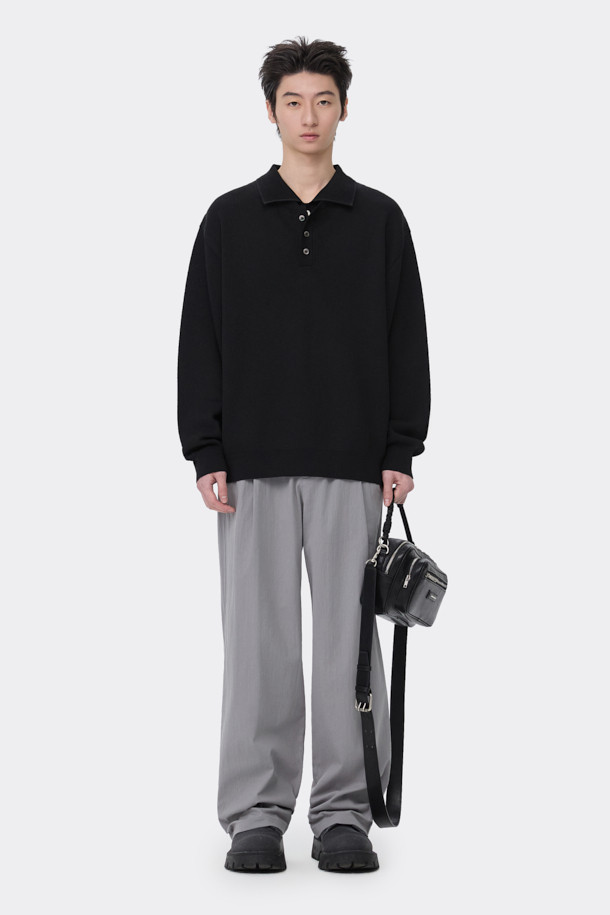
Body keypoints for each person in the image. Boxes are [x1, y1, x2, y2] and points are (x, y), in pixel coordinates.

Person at [177, 35, 431, 873]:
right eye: (294, 101)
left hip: (353, 461)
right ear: (271, 111)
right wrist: (205, 447)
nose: (309, 116)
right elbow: (201, 338)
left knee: (348, 645)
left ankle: (344, 812)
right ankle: (257, 812)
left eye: (323, 100)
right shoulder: (228, 220)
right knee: (259, 645)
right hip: (250, 463)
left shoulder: (381, 220)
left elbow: (406, 338)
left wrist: (401, 445)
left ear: (344, 108)